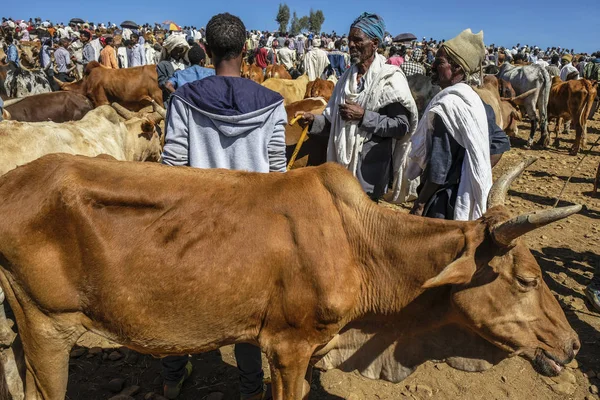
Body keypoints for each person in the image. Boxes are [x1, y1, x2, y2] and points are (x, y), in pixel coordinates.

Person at [160, 12, 286, 400]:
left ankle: (172, 376)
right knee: (249, 316)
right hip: (254, 232)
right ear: (246, 51)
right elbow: (278, 173)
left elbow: (172, 167)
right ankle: (250, 390)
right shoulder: (273, 104)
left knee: (182, 304)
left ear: (209, 52)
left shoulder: (183, 99)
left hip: (196, 227)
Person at [296, 12, 418, 202]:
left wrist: (364, 117)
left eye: (357, 40)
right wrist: (314, 121)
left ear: (375, 44)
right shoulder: (345, 79)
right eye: (350, 40)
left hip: (369, 176)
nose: (351, 45)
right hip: (340, 173)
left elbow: (402, 126)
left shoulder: (390, 79)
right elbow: (333, 123)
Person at [407, 29, 510, 221]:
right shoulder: (477, 102)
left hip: (441, 201)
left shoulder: (448, 106)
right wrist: (471, 170)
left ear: (457, 69)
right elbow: (500, 143)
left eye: (439, 63)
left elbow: (439, 168)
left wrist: (420, 203)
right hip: (466, 196)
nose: (432, 67)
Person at [156, 35, 190, 107]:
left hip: (187, 101)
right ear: (170, 50)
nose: (178, 53)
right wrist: (173, 75)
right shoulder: (163, 65)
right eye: (175, 50)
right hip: (170, 102)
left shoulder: (187, 65)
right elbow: (161, 84)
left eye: (180, 51)